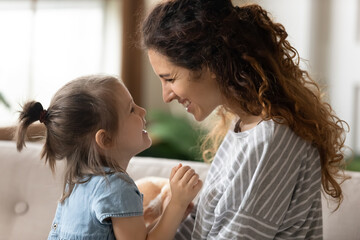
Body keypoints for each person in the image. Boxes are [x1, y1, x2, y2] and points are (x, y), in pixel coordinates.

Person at [141, 0, 348, 239]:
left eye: (170, 79)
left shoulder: (272, 138)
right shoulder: (243, 128)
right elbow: (201, 230)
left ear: (210, 65)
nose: (165, 96)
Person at [15, 74, 203, 240]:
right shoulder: (118, 188)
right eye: (131, 109)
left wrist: (168, 215)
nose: (142, 111)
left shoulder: (77, 183)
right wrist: (177, 204)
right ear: (106, 139)